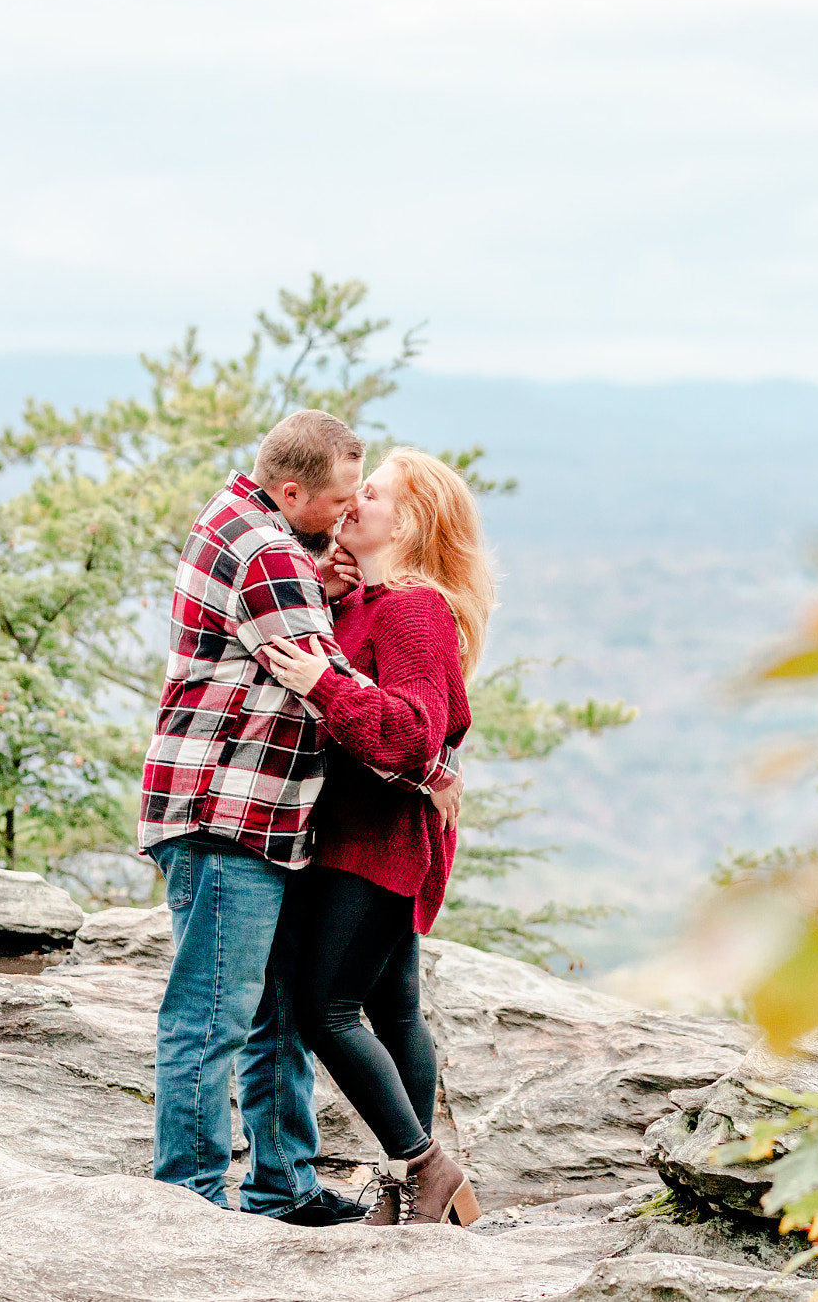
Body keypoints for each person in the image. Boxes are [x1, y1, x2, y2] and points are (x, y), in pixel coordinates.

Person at [138, 411, 461, 1226]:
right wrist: (434, 766)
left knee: (285, 1011)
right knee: (222, 1014)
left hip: (276, 825)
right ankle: (192, 1202)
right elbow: (339, 684)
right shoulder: (269, 551)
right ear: (294, 492)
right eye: (344, 495)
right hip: (230, 814)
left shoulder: (287, 547)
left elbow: (386, 699)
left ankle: (285, 1186)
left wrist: (422, 745)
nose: (349, 509)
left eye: (367, 496)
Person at [255, 446, 491, 1228]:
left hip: (378, 839)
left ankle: (427, 1166)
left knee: (325, 1008)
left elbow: (418, 732)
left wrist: (322, 683)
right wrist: (324, 598)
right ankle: (414, 1187)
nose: (354, 499)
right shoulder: (361, 601)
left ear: (411, 521)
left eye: (375, 492)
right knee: (393, 1012)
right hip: (358, 831)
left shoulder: (414, 608)